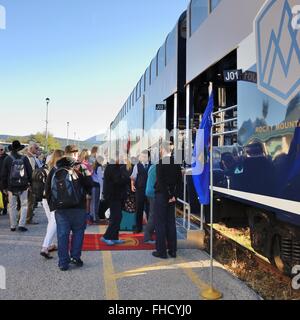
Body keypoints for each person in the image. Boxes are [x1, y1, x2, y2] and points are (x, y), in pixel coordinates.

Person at [45, 145, 93, 271]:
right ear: (75, 154)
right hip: (79, 207)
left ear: (65, 153)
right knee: (78, 232)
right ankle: (75, 257)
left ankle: (63, 262)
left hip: (61, 209)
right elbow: (90, 184)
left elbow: (47, 189)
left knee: (62, 235)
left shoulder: (55, 168)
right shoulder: (81, 167)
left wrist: (53, 206)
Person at [153, 141, 182, 259]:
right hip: (173, 197)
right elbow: (179, 182)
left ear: (162, 150)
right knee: (171, 223)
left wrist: (168, 196)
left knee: (160, 223)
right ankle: (173, 250)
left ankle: (161, 252)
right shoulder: (176, 163)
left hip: (162, 196)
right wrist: (174, 196)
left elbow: (161, 182)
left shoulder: (160, 164)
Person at [0, 140, 33, 232]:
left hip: (11, 186)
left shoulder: (7, 159)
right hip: (23, 185)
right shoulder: (25, 158)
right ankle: (21, 224)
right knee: (24, 205)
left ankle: (13, 225)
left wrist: (4, 187)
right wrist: (30, 184)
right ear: (20, 149)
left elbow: (3, 175)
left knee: (12, 206)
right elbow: (30, 172)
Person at [40, 149, 64, 260]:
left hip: (45, 199)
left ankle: (50, 244)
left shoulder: (49, 167)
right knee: (54, 222)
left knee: (51, 223)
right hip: (52, 200)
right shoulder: (57, 170)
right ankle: (45, 247)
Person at [101, 153, 130, 246]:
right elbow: (118, 180)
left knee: (118, 216)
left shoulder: (117, 166)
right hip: (113, 195)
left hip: (118, 195)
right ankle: (106, 236)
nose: (123, 159)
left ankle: (114, 237)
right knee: (116, 216)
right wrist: (126, 177)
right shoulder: (112, 167)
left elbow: (123, 178)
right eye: (121, 157)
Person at [130, 150, 151, 233]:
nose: (143, 158)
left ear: (149, 157)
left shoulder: (152, 165)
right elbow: (133, 177)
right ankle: (138, 228)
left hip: (149, 190)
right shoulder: (137, 166)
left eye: (145, 156)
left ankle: (150, 229)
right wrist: (132, 185)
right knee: (139, 209)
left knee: (150, 210)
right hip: (140, 190)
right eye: (142, 156)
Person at [25, 142, 41, 225]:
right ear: (31, 148)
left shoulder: (31, 157)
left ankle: (25, 217)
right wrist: (29, 184)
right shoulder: (29, 158)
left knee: (27, 202)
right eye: (36, 148)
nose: (38, 150)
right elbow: (30, 172)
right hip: (31, 184)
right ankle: (28, 219)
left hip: (30, 183)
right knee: (30, 202)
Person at [143, 163, 157, 244]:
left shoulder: (152, 166)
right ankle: (147, 237)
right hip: (153, 192)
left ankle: (148, 236)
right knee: (153, 215)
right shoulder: (158, 167)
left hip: (148, 191)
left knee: (152, 214)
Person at [91, 155, 104, 223]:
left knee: (93, 202)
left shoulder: (94, 166)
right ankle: (95, 218)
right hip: (97, 186)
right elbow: (100, 179)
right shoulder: (99, 167)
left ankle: (92, 216)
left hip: (93, 185)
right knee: (96, 202)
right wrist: (102, 190)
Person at [0, 145, 8, 215]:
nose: (0, 151)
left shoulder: (7, 157)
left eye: (1, 149)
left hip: (4, 179)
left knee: (4, 195)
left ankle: (5, 208)